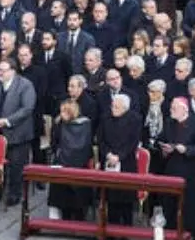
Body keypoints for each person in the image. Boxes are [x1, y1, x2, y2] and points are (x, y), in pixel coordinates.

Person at [158, 97, 195, 240]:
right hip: (171, 167)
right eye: (171, 107)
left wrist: (186, 149)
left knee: (189, 203)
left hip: (188, 169)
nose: (171, 110)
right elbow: (162, 139)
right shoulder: (169, 122)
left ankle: (191, 233)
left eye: (174, 108)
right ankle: (171, 233)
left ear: (184, 109)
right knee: (170, 202)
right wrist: (165, 149)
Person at [0, 61, 37, 207]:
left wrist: (7, 121)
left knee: (16, 165)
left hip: (18, 132)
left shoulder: (25, 85)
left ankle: (15, 194)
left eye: (3, 70)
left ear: (13, 71)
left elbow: (27, 108)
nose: (0, 73)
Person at [98, 93, 141, 225]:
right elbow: (100, 139)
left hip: (126, 161)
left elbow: (133, 142)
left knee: (125, 195)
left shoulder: (135, 119)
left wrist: (119, 156)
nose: (113, 109)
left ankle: (127, 226)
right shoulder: (105, 117)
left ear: (125, 108)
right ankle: (112, 226)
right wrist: (108, 154)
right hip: (109, 160)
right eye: (113, 106)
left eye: (117, 107)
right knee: (111, 195)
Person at [48, 98, 94, 220]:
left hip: (79, 162)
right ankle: (64, 215)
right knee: (62, 190)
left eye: (64, 112)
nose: (61, 114)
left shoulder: (85, 124)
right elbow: (54, 142)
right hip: (62, 161)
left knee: (78, 192)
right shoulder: (59, 123)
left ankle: (79, 216)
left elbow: (85, 145)